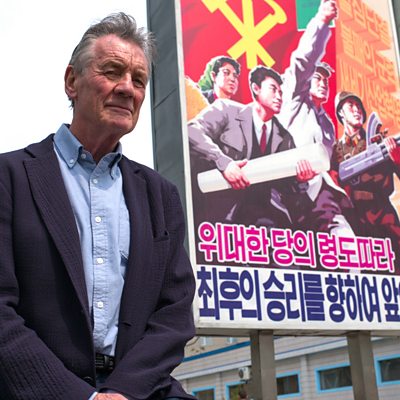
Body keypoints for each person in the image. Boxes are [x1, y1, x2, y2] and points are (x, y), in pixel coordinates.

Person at [0, 12, 195, 400]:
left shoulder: (161, 196)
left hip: (138, 390)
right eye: (112, 72)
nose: (127, 88)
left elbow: (174, 314)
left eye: (138, 80)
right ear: (72, 81)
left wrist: (122, 391)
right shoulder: (10, 177)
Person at [188, 65, 314, 229]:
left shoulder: (285, 138)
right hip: (219, 218)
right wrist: (224, 163)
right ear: (256, 88)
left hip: (266, 222)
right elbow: (192, 131)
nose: (279, 97)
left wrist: (301, 180)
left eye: (281, 92)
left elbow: (289, 190)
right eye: (273, 89)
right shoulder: (226, 110)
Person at [279, 0, 355, 236]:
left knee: (344, 238)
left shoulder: (328, 125)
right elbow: (304, 60)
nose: (323, 83)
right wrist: (321, 21)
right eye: (317, 78)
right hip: (283, 189)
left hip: (320, 195)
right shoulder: (292, 99)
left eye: (326, 80)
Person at [332, 91, 400, 257]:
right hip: (355, 219)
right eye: (350, 106)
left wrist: (396, 158)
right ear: (340, 112)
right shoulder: (336, 151)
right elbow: (332, 186)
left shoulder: (380, 142)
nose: (357, 110)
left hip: (383, 216)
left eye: (359, 106)